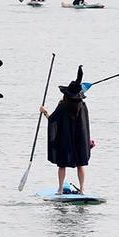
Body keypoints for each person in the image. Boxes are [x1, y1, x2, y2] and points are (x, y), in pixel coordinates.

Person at [40, 66, 91, 194]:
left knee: (62, 165)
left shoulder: (63, 106)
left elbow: (53, 119)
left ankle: (61, 189)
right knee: (80, 164)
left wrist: (44, 112)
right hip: (80, 140)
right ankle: (82, 189)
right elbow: (86, 125)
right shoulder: (83, 106)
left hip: (65, 139)